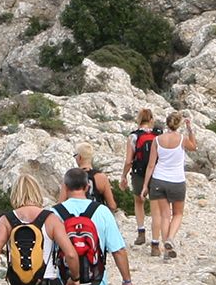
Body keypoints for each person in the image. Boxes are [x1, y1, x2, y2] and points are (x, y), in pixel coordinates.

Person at [148, 109, 197, 259]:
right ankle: (170, 239)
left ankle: (166, 250)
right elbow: (194, 146)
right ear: (179, 124)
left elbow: (151, 165)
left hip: (159, 179)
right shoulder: (182, 139)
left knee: (164, 215)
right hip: (176, 180)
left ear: (167, 123)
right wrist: (190, 129)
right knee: (178, 213)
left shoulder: (157, 140)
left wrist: (145, 185)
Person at [125, 107, 161, 249]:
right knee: (155, 208)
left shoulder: (133, 137)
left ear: (138, 120)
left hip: (139, 172)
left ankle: (141, 233)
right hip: (156, 173)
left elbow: (128, 161)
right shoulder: (157, 136)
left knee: (139, 202)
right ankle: (155, 242)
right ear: (151, 120)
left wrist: (123, 176)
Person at [73, 143, 119, 215]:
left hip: (77, 219)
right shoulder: (101, 177)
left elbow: (61, 204)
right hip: (96, 217)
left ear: (79, 157)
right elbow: (112, 205)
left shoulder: (71, 177)